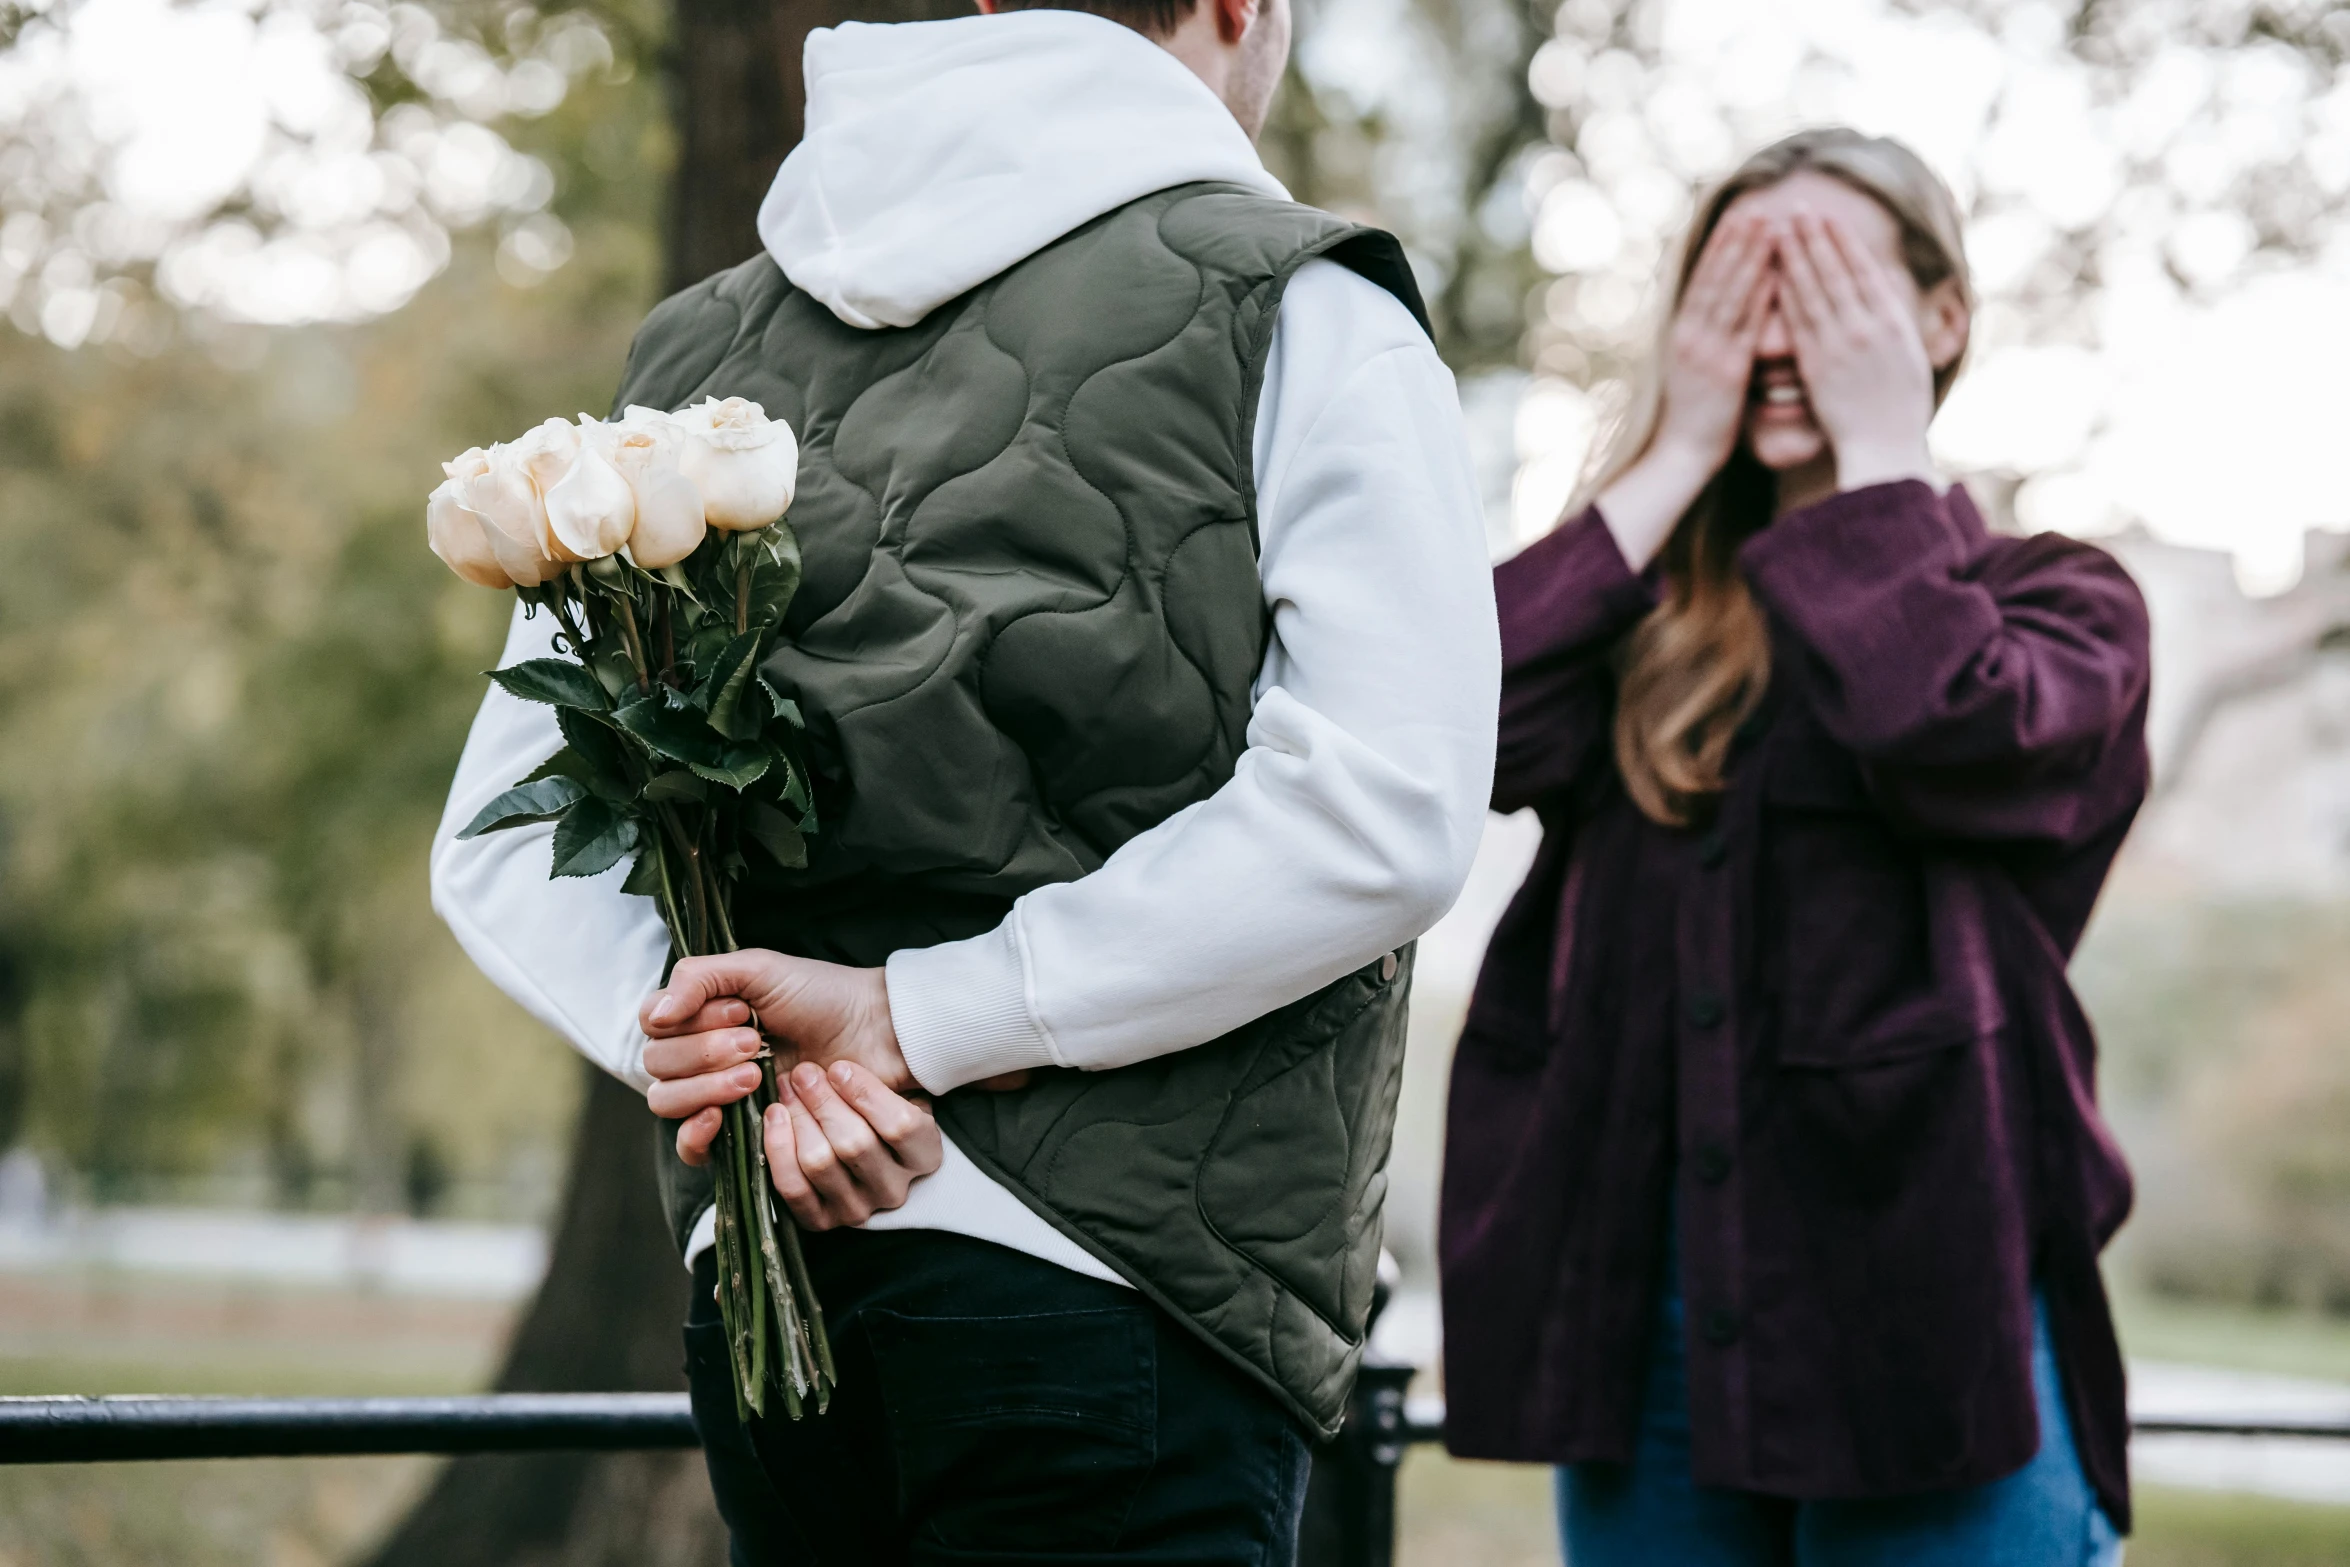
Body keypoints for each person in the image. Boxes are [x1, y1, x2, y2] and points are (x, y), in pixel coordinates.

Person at [429, 0, 1499, 1560]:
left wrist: (748, 1071)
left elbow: (508, 834)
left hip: (779, 1280)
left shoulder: (697, 357)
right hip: (1128, 1283)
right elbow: (1384, 807)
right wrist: (914, 1018)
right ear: (1238, 8)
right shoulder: (1298, 303)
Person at [1437, 128, 2147, 1566]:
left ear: (1940, 319)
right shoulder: (1630, 619)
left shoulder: (2061, 602)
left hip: (1931, 1336)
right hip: (1645, 1344)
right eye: (1736, 286)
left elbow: (1948, 719)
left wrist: (1880, 454)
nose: (1775, 329)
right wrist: (1678, 448)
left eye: (1821, 281)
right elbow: (1439, 726)